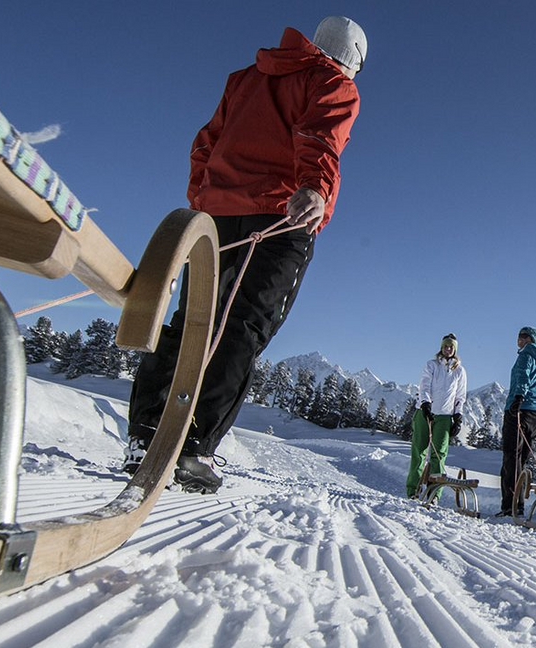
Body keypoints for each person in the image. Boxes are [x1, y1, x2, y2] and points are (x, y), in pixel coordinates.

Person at [124, 16, 368, 494]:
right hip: (283, 217)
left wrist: (204, 198)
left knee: (194, 319)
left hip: (215, 215)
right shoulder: (332, 82)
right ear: (352, 58)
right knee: (243, 327)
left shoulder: (247, 77)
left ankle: (145, 433)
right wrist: (314, 189)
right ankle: (192, 449)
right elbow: (320, 136)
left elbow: (206, 142)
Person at [406, 334, 467, 497]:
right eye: (446, 346)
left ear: (455, 350)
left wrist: (458, 417)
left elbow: (460, 396)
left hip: (445, 416)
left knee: (438, 455)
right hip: (425, 413)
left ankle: (434, 494)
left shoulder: (460, 371)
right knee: (419, 452)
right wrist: (425, 403)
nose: (448, 349)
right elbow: (424, 385)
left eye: (451, 347)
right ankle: (413, 490)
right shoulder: (431, 365)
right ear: (441, 348)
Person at [497, 326, 536, 517]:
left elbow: (522, 376)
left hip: (519, 410)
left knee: (511, 459)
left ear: (531, 340)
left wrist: (518, 397)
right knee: (521, 460)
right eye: (519, 336)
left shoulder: (525, 356)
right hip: (535, 415)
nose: (520, 339)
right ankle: (516, 504)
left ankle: (510, 506)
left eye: (524, 336)